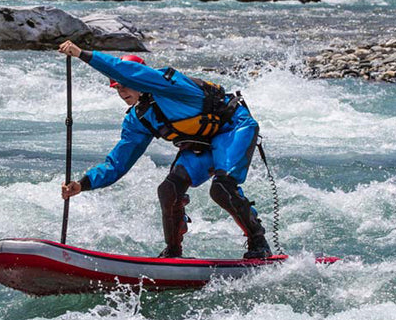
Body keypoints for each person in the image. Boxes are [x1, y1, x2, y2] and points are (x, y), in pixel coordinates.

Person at [57, 41, 272, 259]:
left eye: (126, 85)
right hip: (202, 145)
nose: (122, 91)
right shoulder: (138, 119)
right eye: (117, 88)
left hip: (233, 128)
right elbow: (117, 164)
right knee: (169, 189)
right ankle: (173, 252)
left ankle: (259, 243)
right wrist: (82, 184)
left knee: (222, 188)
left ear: (139, 79)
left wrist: (82, 54)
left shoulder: (169, 86)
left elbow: (126, 71)